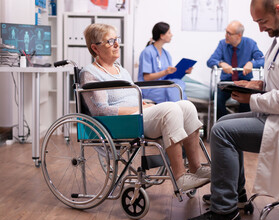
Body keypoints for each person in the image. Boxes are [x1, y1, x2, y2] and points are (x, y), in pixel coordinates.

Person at [187, 0, 279, 220]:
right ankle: (236, 196)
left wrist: (252, 99)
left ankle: (225, 212)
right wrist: (259, 84)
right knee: (222, 123)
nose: (260, 28)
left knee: (222, 132)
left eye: (262, 21)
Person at [80, 23, 211, 191]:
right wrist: (138, 109)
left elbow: (131, 95)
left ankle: (196, 168)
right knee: (171, 109)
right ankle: (180, 177)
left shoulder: (120, 70)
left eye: (116, 39)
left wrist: (143, 104)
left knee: (187, 106)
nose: (116, 44)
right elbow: (102, 110)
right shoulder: (90, 73)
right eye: (109, 41)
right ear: (95, 48)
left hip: (138, 114)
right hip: (122, 122)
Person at [207, 20, 264, 119]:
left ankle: (242, 126)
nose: (226, 35)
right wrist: (221, 64)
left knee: (247, 100)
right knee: (218, 99)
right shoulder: (222, 44)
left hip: (244, 83)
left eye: (229, 33)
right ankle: (223, 124)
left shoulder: (250, 44)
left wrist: (252, 63)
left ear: (239, 35)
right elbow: (210, 61)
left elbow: (263, 60)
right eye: (226, 32)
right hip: (227, 83)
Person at [138, 22, 191, 103]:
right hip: (149, 89)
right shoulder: (147, 52)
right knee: (175, 90)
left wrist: (184, 71)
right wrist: (165, 72)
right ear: (162, 36)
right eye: (169, 32)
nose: (171, 35)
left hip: (164, 86)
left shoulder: (166, 54)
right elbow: (146, 78)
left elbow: (170, 76)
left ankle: (179, 110)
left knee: (179, 84)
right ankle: (181, 110)